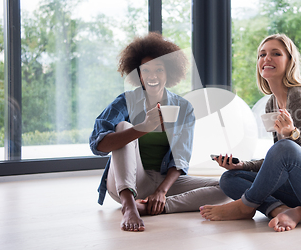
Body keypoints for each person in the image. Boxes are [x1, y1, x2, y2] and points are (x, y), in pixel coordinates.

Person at [200, 34, 301, 232]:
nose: (266, 59)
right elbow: (279, 161)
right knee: (230, 179)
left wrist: (293, 134)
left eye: (275, 53)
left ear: (290, 61)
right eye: (262, 54)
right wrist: (244, 165)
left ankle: (246, 206)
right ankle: (284, 210)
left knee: (285, 146)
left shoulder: (300, 96)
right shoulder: (272, 103)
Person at [90, 33, 229, 232]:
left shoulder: (183, 107)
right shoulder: (125, 101)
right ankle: (129, 206)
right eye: (145, 70)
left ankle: (152, 207)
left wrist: (162, 191)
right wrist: (142, 128)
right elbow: (99, 145)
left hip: (165, 181)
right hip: (128, 183)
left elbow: (180, 157)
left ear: (168, 73)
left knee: (226, 186)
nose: (152, 76)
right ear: (138, 74)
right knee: (124, 127)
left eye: (159, 69)